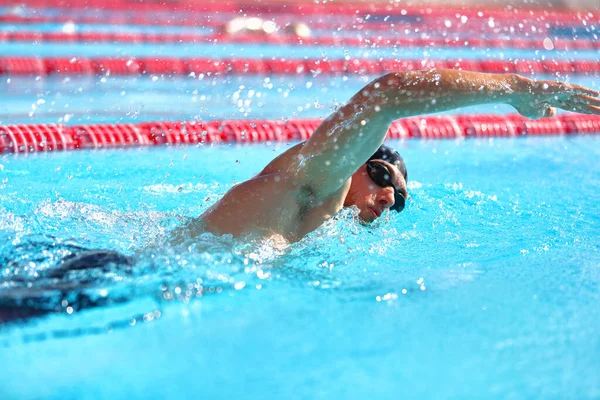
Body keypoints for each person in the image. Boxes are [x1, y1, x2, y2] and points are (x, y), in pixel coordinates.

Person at [174, 68, 599, 244]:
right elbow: (388, 96)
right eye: (382, 175)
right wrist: (515, 89)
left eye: (400, 197)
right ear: (355, 160)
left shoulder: (318, 216)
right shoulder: (320, 178)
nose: (390, 197)